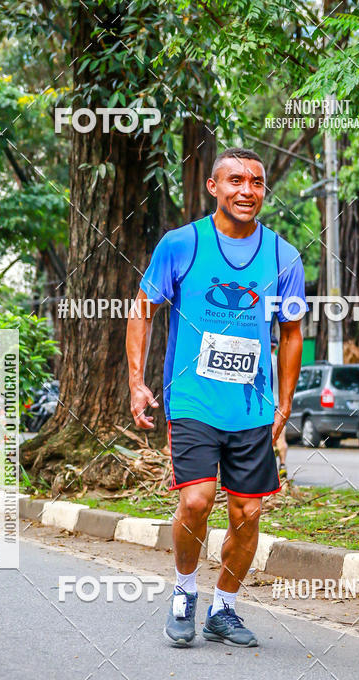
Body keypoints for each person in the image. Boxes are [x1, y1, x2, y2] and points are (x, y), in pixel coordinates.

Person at [126, 147, 304, 648]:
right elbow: (142, 310)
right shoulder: (181, 244)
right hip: (192, 399)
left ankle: (223, 608)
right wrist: (137, 381)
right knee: (197, 499)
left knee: (247, 514)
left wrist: (285, 403)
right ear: (214, 187)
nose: (247, 190)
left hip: (251, 406)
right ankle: (184, 591)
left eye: (256, 182)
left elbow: (291, 332)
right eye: (235, 180)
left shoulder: (283, 256)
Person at [270, 334, 288, 480]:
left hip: (265, 405)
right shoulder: (280, 363)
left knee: (267, 439)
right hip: (279, 405)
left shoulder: (262, 361)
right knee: (281, 437)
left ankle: (269, 469)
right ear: (276, 347)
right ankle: (282, 465)